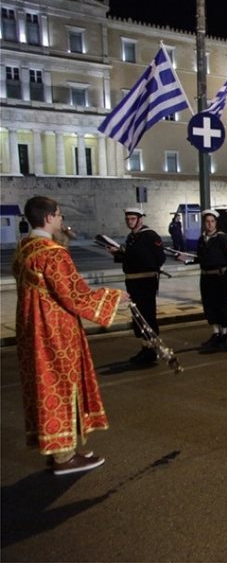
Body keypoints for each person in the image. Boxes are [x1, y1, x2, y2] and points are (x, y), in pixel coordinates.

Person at [13, 196, 125, 475]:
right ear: (49, 217)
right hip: (55, 333)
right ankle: (64, 457)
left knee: (44, 388)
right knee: (61, 386)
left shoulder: (24, 248)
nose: (62, 219)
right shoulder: (52, 253)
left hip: (32, 330)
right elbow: (75, 295)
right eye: (60, 215)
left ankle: (59, 448)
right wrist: (113, 297)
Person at [108, 207, 165, 364]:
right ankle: (145, 347)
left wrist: (126, 254)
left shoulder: (149, 235)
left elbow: (158, 258)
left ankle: (152, 349)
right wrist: (118, 254)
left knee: (147, 315)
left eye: (132, 219)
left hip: (145, 281)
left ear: (140, 219)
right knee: (138, 316)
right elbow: (132, 258)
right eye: (128, 219)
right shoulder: (131, 237)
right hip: (133, 281)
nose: (129, 222)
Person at [179, 210, 227, 353]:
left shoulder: (222, 239)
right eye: (207, 221)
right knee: (209, 306)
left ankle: (225, 336)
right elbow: (200, 258)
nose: (209, 224)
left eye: (212, 221)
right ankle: (216, 334)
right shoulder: (202, 239)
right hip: (205, 277)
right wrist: (186, 260)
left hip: (218, 277)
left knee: (221, 306)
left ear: (216, 223)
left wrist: (221, 268)